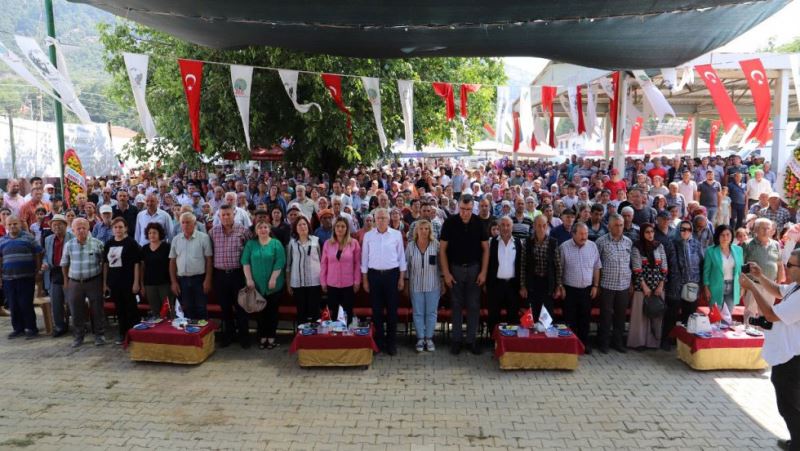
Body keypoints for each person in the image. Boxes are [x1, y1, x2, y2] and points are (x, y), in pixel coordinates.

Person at [738, 251, 800, 451]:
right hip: (788, 354)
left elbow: (771, 314)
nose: (787, 268)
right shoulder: (796, 287)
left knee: (789, 405)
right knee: (790, 402)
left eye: (791, 265)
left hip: (793, 357)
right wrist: (760, 276)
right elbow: (779, 291)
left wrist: (752, 288)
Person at [440, 195, 489, 355]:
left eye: (468, 210)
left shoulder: (479, 223)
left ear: (473, 208)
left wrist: (483, 272)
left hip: (475, 270)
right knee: (456, 305)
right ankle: (456, 340)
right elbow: (442, 250)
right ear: (458, 207)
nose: (465, 213)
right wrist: (446, 273)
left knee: (474, 306)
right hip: (455, 269)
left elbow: (486, 249)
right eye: (462, 209)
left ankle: (471, 341)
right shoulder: (449, 223)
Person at [361, 208, 406, 355]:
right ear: (375, 219)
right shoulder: (368, 236)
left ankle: (391, 343)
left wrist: (401, 278)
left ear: (389, 219)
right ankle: (378, 342)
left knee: (392, 312)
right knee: (377, 312)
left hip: (392, 276)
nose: (381, 220)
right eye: (378, 218)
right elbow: (364, 259)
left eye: (384, 218)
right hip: (374, 276)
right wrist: (365, 280)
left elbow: (401, 258)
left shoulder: (396, 234)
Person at [210, 204, 252, 348]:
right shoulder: (213, 232)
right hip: (220, 276)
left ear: (234, 214)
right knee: (225, 307)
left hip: (237, 275)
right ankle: (229, 335)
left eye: (228, 214)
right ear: (219, 217)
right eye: (223, 215)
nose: (226, 217)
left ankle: (244, 336)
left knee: (241, 307)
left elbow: (249, 255)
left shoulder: (244, 231)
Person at [61, 218, 106, 347]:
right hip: (75, 282)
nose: (81, 230)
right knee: (76, 310)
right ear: (73, 230)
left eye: (83, 228)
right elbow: (64, 264)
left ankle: (99, 335)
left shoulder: (98, 244)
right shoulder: (69, 245)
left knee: (97, 309)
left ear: (88, 229)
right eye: (78, 228)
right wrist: (66, 281)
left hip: (94, 280)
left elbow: (104, 264)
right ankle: (78, 337)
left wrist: (103, 282)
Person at [242, 220, 286, 350]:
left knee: (272, 312)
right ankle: (262, 337)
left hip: (274, 286)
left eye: (265, 227)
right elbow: (245, 262)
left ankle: (271, 337)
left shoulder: (276, 244)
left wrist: (273, 278)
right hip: (256, 286)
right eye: (260, 228)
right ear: (256, 231)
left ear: (269, 229)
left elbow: (280, 262)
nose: (263, 230)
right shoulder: (250, 244)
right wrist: (249, 279)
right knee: (260, 313)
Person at [559, 222, 601, 353]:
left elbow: (597, 267)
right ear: (573, 234)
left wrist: (595, 285)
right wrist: (560, 286)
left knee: (585, 318)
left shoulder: (592, 246)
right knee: (569, 319)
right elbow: (559, 268)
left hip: (586, 289)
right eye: (581, 234)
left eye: (586, 234)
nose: (584, 237)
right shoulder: (564, 247)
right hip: (569, 290)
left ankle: (583, 344)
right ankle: (569, 345)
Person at [596, 214, 633, 353]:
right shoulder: (601, 242)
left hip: (623, 285)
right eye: (616, 225)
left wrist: (631, 283)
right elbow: (597, 265)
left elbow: (630, 263)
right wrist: (597, 284)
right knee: (605, 316)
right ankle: (603, 343)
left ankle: (618, 343)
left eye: (621, 225)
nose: (619, 228)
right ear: (609, 226)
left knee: (620, 316)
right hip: (607, 285)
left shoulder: (628, 242)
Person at [0, 215, 43, 339]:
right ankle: (18, 329)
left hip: (26, 277)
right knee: (13, 304)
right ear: (5, 226)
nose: (12, 226)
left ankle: (31, 328)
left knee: (26, 303)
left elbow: (38, 254)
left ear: (20, 224)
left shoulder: (29, 238)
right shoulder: (2, 241)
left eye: (15, 224)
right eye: (10, 224)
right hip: (8, 278)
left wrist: (38, 271)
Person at [627, 223, 668, 349]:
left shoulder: (659, 246)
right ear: (642, 234)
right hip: (642, 288)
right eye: (647, 232)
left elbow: (664, 267)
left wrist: (661, 285)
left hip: (657, 288)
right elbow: (636, 269)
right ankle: (638, 343)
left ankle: (653, 343)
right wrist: (644, 286)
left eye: (652, 232)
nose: (650, 234)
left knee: (655, 315)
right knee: (640, 317)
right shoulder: (637, 247)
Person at [102, 218, 141, 345]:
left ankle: (134, 333)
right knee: (120, 309)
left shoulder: (131, 243)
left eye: (120, 227)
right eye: (115, 227)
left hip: (128, 281)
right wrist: (105, 283)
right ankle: (122, 333)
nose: (118, 230)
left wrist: (136, 282)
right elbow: (106, 264)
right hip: (114, 282)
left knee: (131, 309)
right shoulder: (108, 244)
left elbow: (137, 264)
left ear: (125, 228)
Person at [169, 212, 213, 319]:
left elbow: (209, 260)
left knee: (201, 308)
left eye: (188, 222)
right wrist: (174, 282)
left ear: (194, 223)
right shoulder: (176, 239)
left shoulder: (204, 238)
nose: (185, 225)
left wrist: (207, 280)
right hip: (182, 280)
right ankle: (190, 334)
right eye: (182, 222)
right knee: (187, 309)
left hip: (199, 279)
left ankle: (203, 335)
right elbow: (172, 262)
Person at [405, 219, 440, 352]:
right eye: (421, 229)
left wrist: (442, 281)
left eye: (426, 229)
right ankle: (420, 339)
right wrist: (406, 282)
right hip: (416, 285)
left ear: (430, 231)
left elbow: (441, 266)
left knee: (431, 313)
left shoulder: (435, 245)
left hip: (433, 285)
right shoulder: (410, 246)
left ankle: (429, 338)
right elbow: (406, 266)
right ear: (416, 231)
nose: (424, 231)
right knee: (418, 313)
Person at [486, 216, 526, 336]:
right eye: (502, 225)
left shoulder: (519, 242)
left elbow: (522, 265)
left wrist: (522, 285)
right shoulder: (491, 242)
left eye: (508, 225)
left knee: (513, 315)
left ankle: (511, 342)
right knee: (494, 315)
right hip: (496, 284)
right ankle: (493, 341)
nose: (505, 228)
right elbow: (487, 263)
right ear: (498, 227)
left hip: (513, 285)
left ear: (512, 227)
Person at [742, 218, 784, 326]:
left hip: (770, 285)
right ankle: (747, 337)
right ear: (756, 229)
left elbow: (779, 265)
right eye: (762, 228)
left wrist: (778, 284)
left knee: (766, 313)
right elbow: (741, 266)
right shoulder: (747, 244)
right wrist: (743, 286)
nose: (766, 231)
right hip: (753, 284)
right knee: (750, 312)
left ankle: (762, 339)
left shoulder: (776, 245)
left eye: (768, 228)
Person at [320, 217, 361, 321]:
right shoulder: (327, 243)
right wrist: (323, 282)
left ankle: (347, 336)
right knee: (333, 314)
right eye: (337, 226)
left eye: (343, 226)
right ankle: (334, 336)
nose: (340, 229)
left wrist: (357, 281)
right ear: (334, 228)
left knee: (347, 313)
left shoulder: (354, 243)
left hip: (348, 284)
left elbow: (357, 264)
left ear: (347, 228)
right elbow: (324, 264)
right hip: (332, 284)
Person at [525, 214, 563, 320]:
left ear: (547, 226)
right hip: (533, 282)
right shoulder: (527, 242)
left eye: (543, 225)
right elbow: (523, 265)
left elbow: (558, 266)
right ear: (534, 226)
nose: (541, 228)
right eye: (538, 225)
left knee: (546, 314)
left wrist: (558, 286)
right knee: (533, 313)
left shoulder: (553, 242)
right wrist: (523, 285)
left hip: (548, 283)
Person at [286, 216, 323, 323]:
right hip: (297, 283)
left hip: (314, 282)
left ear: (308, 226)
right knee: (301, 312)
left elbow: (322, 261)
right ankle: (302, 337)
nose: (302, 227)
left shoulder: (316, 241)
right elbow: (288, 265)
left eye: (304, 224)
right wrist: (288, 284)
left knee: (315, 311)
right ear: (295, 228)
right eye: (299, 225)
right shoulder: (292, 243)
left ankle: (315, 337)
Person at [43, 214, 72, 336]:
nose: (57, 227)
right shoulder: (48, 239)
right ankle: (60, 326)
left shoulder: (72, 237)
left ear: (66, 225)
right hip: (54, 273)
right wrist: (45, 263)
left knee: (72, 301)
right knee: (56, 302)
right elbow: (46, 255)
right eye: (54, 225)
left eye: (60, 224)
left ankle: (78, 325)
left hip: (70, 273)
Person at [703, 224, 744, 312]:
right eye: (722, 235)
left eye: (728, 234)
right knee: (716, 317)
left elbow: (741, 271)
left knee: (728, 316)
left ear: (732, 235)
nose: (725, 237)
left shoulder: (738, 250)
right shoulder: (711, 251)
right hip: (715, 286)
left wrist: (742, 287)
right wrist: (706, 288)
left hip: (733, 286)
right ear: (718, 236)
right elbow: (706, 271)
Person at [140, 223, 173, 318]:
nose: (152, 235)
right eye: (149, 233)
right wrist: (142, 285)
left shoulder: (167, 247)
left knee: (168, 311)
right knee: (155, 311)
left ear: (160, 234)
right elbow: (142, 268)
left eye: (154, 232)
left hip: (165, 284)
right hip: (149, 284)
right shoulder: (144, 248)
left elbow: (172, 265)